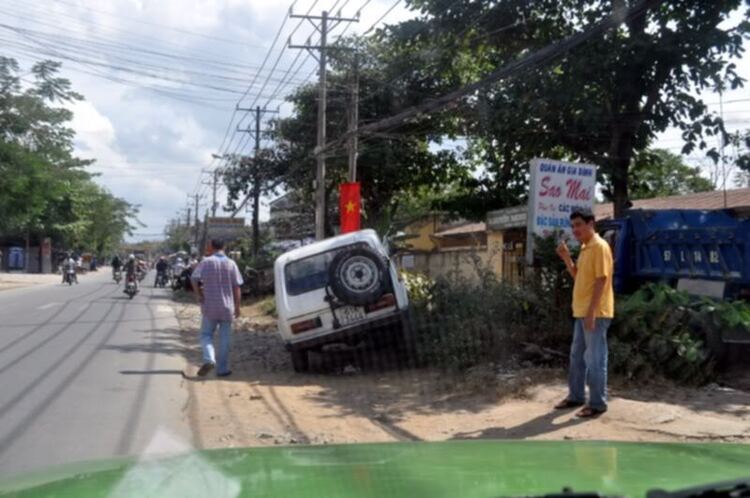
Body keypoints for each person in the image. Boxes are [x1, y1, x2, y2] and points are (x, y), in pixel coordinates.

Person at [554, 208, 615, 418]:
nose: (575, 229)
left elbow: (602, 279)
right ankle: (576, 396)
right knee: (577, 356)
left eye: (579, 224)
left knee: (595, 358)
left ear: (591, 223)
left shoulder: (599, 246)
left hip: (595, 313)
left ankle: (597, 403)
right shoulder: (585, 247)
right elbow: (579, 276)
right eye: (573, 226)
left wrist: (591, 313)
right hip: (582, 312)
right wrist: (566, 258)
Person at [190, 239, 244, 377]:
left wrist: (199, 295)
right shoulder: (231, 264)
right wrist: (237, 307)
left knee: (206, 335)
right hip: (227, 307)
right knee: (225, 338)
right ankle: (222, 369)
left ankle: (209, 359)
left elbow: (194, 278)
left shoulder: (206, 262)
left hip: (210, 306)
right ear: (224, 247)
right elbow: (237, 287)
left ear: (211, 247)